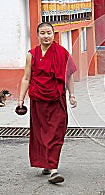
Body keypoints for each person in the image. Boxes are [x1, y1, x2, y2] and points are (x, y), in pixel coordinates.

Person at [18, 22, 77, 184]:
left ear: (53, 34)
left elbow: (69, 75)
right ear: (37, 36)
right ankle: (50, 165)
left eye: (49, 33)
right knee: (41, 133)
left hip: (56, 99)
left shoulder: (62, 53)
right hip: (38, 101)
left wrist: (72, 95)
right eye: (42, 33)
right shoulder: (32, 54)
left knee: (56, 132)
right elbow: (26, 78)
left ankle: (53, 168)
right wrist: (21, 99)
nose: (46, 36)